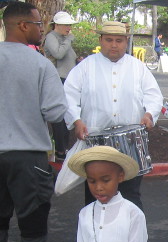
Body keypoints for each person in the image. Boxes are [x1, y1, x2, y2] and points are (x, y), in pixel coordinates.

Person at [0, 1, 66, 242]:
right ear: (22, 26)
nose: (43, 29)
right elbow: (55, 111)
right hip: (28, 156)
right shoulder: (40, 65)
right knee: (33, 223)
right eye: (39, 24)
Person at [64, 21, 163, 210]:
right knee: (96, 197)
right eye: (109, 40)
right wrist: (76, 121)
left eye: (119, 40)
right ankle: (96, 237)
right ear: (101, 40)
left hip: (130, 144)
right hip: (96, 143)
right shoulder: (85, 67)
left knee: (130, 196)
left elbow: (154, 95)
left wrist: (149, 114)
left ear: (126, 42)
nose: (114, 45)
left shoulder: (138, 67)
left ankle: (131, 237)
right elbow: (68, 96)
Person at [43, 11, 77, 160]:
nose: (69, 28)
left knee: (67, 114)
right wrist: (68, 40)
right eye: (67, 25)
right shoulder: (51, 37)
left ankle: (64, 147)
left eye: (70, 25)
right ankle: (60, 150)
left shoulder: (63, 38)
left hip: (67, 79)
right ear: (57, 25)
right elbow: (58, 54)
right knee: (59, 116)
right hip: (58, 79)